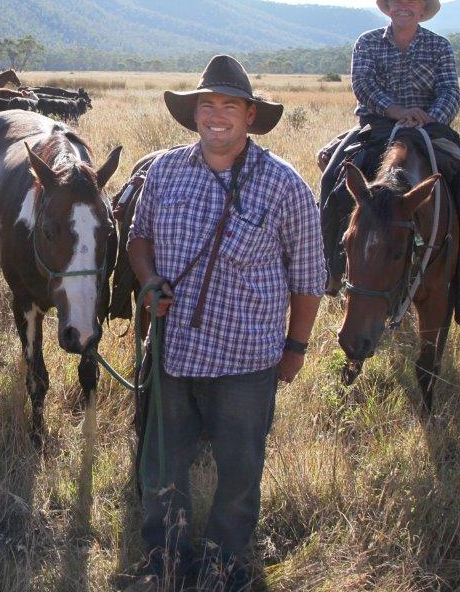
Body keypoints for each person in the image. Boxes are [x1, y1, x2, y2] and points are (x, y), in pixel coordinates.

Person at [125, 54, 326, 590]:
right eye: (206, 105)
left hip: (246, 362)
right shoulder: (164, 171)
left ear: (250, 115)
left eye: (228, 106)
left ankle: (224, 566)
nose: (216, 116)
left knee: (239, 475)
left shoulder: (286, 186)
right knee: (161, 466)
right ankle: (165, 560)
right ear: (194, 114)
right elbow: (138, 237)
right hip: (172, 353)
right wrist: (147, 283)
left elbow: (309, 280)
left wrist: (296, 349)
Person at [317, 0, 460, 311]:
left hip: (429, 127)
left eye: (411, 2)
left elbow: (451, 91)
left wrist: (427, 115)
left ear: (422, 9)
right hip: (377, 126)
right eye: (398, 1)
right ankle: (330, 265)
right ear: (388, 8)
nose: (404, 6)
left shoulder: (439, 46)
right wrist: (395, 109)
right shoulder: (368, 42)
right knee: (333, 175)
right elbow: (363, 84)